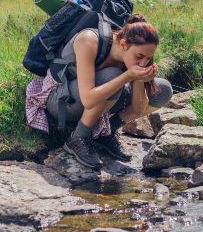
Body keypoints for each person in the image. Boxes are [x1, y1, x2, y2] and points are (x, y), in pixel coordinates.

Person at [26, 14, 173, 169]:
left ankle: (106, 134)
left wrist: (139, 79)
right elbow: (88, 99)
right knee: (113, 76)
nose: (143, 63)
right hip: (61, 99)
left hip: (96, 97)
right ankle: (78, 138)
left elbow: (137, 109)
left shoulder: (131, 58)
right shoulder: (88, 40)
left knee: (163, 89)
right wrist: (127, 76)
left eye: (148, 59)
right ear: (123, 44)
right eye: (139, 56)